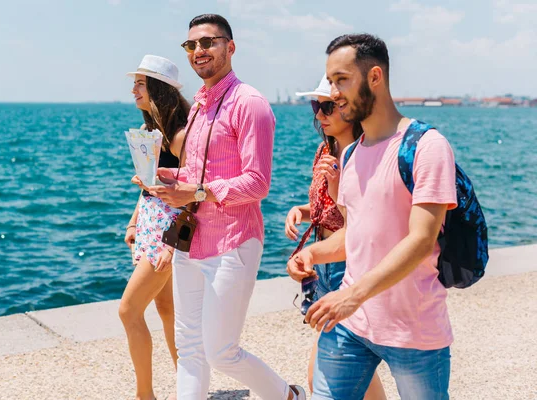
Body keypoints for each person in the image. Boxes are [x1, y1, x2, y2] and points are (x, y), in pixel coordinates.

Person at [141, 13, 306, 400]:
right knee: (190, 350)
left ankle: (289, 396)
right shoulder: (198, 106)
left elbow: (257, 182)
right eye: (191, 45)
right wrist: (168, 179)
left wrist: (194, 193)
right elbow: (197, 175)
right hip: (190, 241)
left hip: (233, 242)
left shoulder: (250, 104)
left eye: (208, 42)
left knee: (220, 352)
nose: (199, 51)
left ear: (230, 47)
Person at [287, 33, 457, 400]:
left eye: (342, 80)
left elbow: (421, 239)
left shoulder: (427, 146)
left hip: (413, 331)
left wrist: (353, 295)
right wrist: (312, 254)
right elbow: (356, 235)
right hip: (351, 324)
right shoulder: (350, 156)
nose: (333, 93)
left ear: (375, 77)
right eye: (331, 81)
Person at [285, 75, 386, 399]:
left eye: (327, 106)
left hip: (349, 264)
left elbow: (367, 223)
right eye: (317, 105)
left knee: (328, 374)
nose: (319, 114)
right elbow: (322, 208)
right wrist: (300, 212)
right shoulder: (325, 150)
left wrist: (337, 188)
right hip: (325, 266)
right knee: (350, 369)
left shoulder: (365, 156)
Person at [120, 54, 189, 400]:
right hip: (150, 227)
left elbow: (193, 197)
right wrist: (134, 221)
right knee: (166, 310)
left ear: (157, 89)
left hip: (167, 235)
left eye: (140, 83)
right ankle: (189, 387)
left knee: (128, 310)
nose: (133, 89)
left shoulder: (179, 136)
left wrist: (170, 245)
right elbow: (149, 186)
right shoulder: (153, 131)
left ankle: (144, 395)